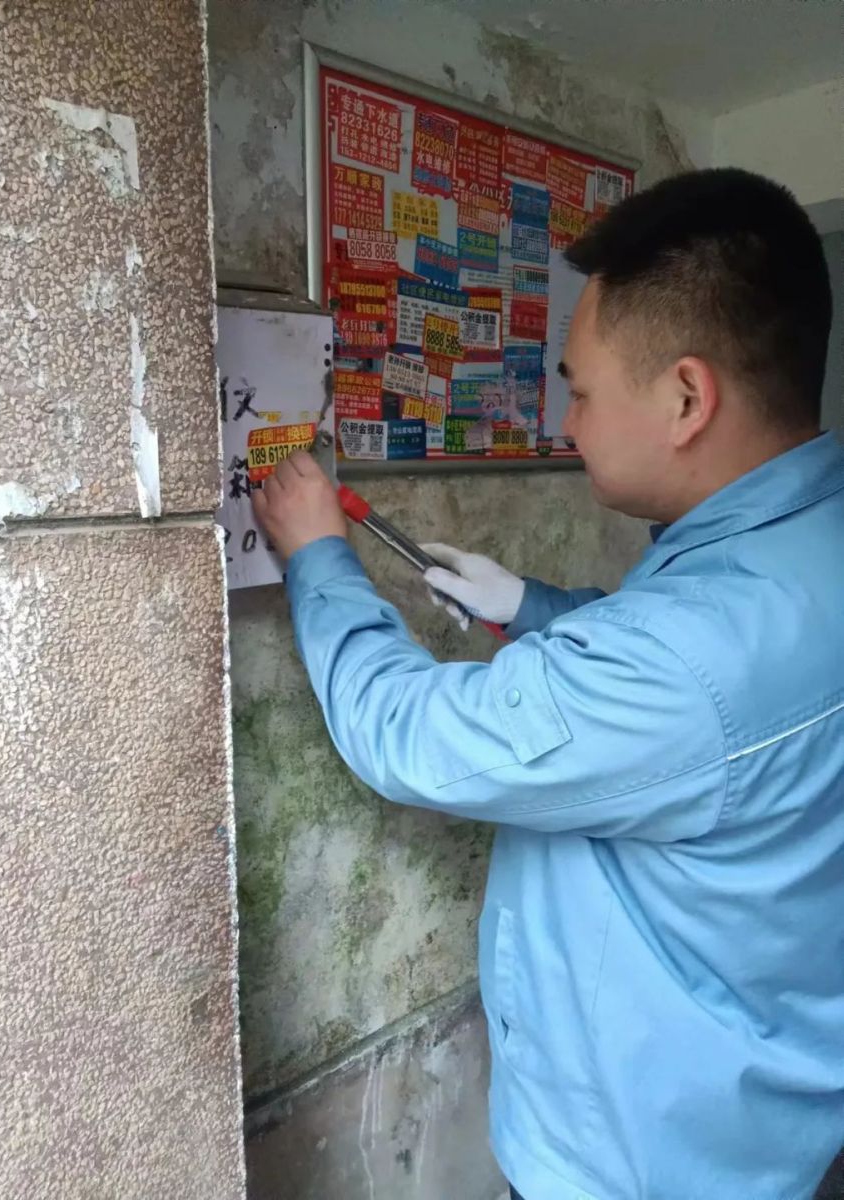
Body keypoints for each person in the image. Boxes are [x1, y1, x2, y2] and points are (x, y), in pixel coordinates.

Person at [253, 168, 844, 1200]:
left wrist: (316, 556)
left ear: (686, 397)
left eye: (578, 390)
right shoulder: (800, 549)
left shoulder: (684, 658)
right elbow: (705, 693)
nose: (566, 424)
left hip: (639, 1167)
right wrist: (533, 607)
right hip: (762, 1123)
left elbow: (404, 734)